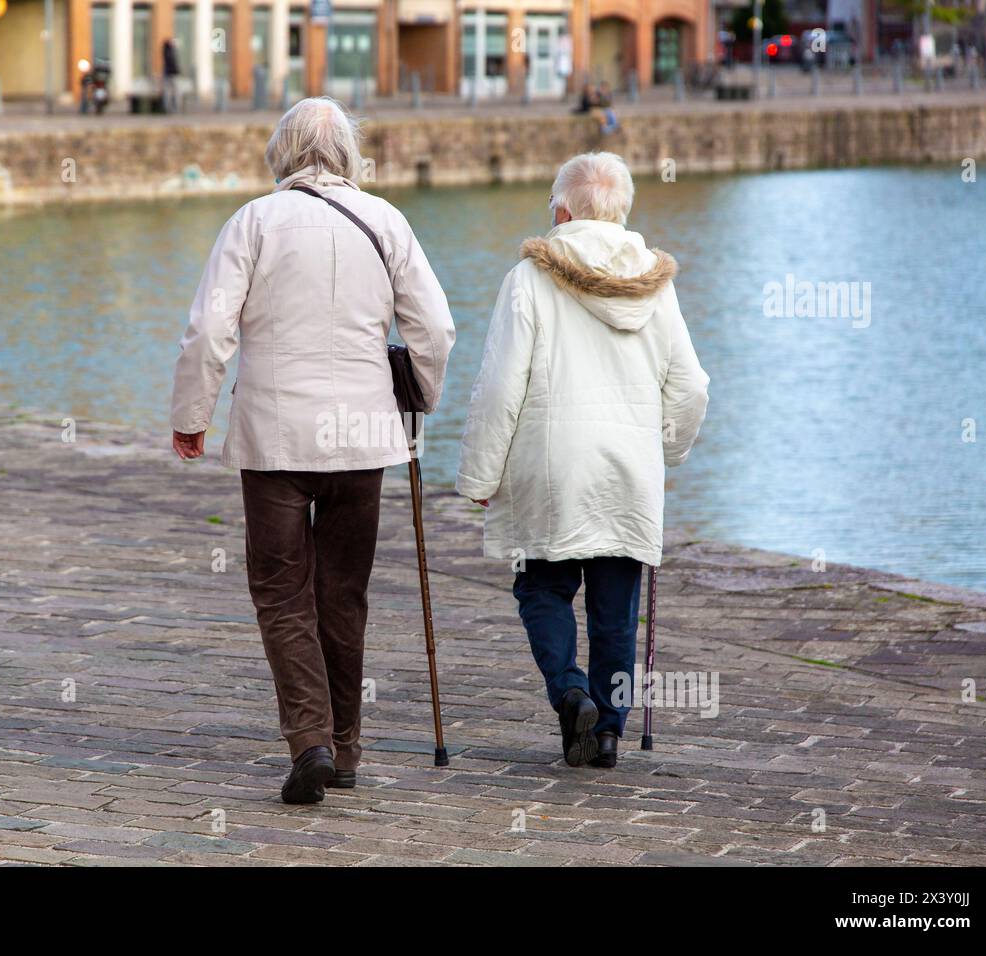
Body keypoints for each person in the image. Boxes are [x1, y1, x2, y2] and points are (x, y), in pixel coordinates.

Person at [170, 97, 456, 803]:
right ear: (348, 154)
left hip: (274, 437)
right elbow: (438, 328)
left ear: (282, 152)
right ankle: (347, 747)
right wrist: (419, 395)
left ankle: (312, 742)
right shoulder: (387, 220)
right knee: (344, 592)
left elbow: (210, 330)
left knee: (280, 591)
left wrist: (191, 415)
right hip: (362, 438)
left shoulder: (253, 221)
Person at [455, 152, 709, 770]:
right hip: (628, 466)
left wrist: (479, 476)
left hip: (551, 464)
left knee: (542, 585)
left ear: (564, 211)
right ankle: (608, 732)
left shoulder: (531, 278)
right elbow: (692, 387)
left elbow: (499, 388)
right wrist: (666, 449)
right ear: (621, 211)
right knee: (615, 604)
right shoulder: (657, 281)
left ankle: (570, 692)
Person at [161, 38, 180, 113]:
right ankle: (173, 108)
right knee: (174, 91)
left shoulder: (166, 51)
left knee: (168, 92)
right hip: (172, 74)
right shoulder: (170, 52)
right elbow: (173, 63)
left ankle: (168, 108)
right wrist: (177, 71)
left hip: (167, 73)